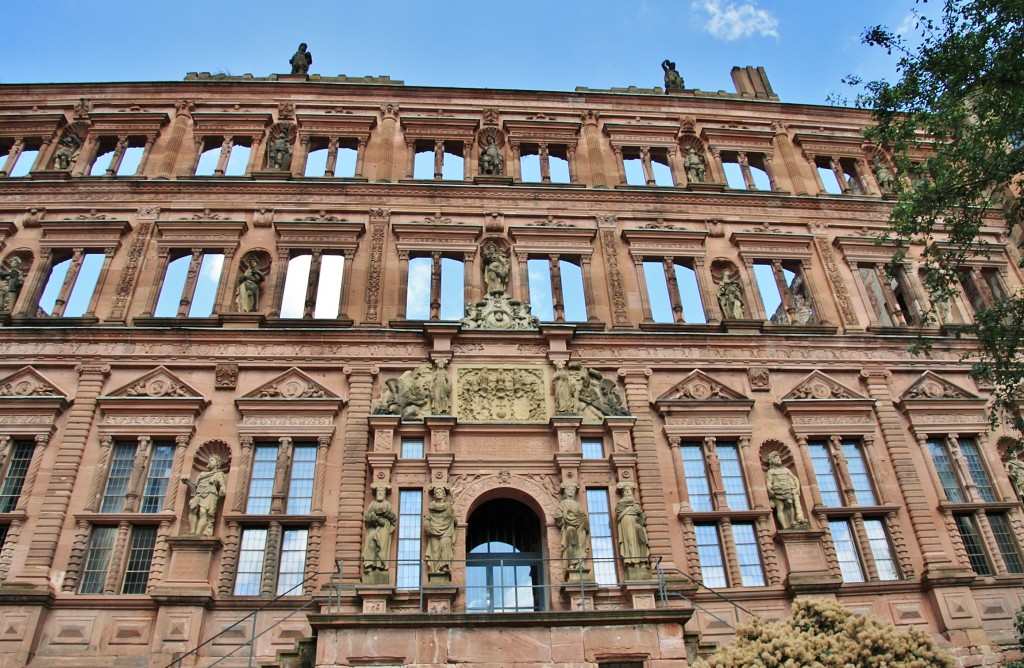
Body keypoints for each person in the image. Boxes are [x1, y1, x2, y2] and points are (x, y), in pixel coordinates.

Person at [182, 454, 227, 537]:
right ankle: (192, 531)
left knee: (203, 512)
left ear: (217, 463)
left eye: (212, 460)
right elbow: (195, 486)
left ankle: (198, 533)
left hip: (210, 494)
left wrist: (223, 490)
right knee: (192, 508)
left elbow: (222, 484)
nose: (210, 461)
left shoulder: (218, 474)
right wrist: (187, 482)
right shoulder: (202, 474)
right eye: (209, 460)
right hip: (199, 493)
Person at [361, 484, 397, 576]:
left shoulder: (387, 504)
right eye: (378, 491)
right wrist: (375, 518)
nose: (380, 493)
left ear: (384, 494)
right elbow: (366, 516)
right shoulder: (372, 504)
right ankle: (369, 565)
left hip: (384, 527)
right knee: (371, 544)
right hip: (373, 526)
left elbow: (393, 517)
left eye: (382, 491)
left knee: (382, 546)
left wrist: (385, 516)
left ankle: (380, 565)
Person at [554, 482, 590, 572]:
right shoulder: (563, 503)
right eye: (569, 490)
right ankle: (571, 563)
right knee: (572, 542)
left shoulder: (578, 504)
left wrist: (583, 519)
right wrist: (565, 517)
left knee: (581, 544)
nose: (571, 491)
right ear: (565, 492)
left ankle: (579, 563)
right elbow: (558, 515)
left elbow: (582, 515)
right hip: (569, 526)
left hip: (580, 526)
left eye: (573, 490)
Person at [766, 451, 807, 529]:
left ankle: (792, 522)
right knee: (780, 507)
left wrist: (797, 488)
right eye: (777, 458)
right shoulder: (770, 471)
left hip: (787, 489)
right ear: (772, 460)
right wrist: (769, 490)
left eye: (779, 458)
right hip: (777, 490)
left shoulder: (786, 470)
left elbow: (795, 478)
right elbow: (769, 482)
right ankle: (784, 527)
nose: (779, 460)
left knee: (790, 504)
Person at [424, 484, 456, 576]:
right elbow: (427, 519)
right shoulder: (431, 507)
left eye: (440, 492)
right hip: (434, 530)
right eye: (437, 492)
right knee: (435, 549)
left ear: (444, 495)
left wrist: (453, 521)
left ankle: (444, 566)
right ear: (434, 495)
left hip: (446, 530)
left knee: (444, 546)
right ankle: (435, 569)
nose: (438, 493)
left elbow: (452, 518)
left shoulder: (448, 506)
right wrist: (428, 528)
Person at [616, 483, 649, 567]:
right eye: (625, 490)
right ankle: (634, 562)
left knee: (641, 540)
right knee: (629, 540)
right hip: (626, 520)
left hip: (636, 521)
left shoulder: (636, 503)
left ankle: (642, 560)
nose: (627, 491)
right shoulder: (620, 503)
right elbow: (618, 510)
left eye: (629, 490)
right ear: (623, 492)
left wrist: (642, 517)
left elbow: (639, 512)